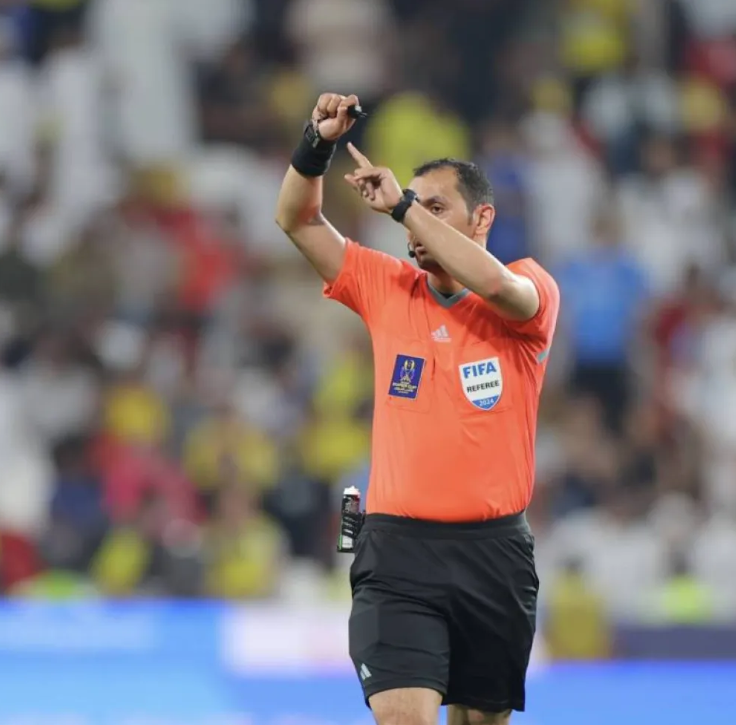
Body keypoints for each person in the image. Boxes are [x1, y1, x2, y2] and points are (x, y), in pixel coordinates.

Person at [274, 93, 561, 725]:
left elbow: (496, 285)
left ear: (482, 217)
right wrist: (317, 144)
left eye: (436, 208)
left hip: (494, 556)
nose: (415, 222)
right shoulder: (387, 286)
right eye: (414, 205)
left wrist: (401, 206)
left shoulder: (530, 288)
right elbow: (297, 219)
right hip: (397, 553)